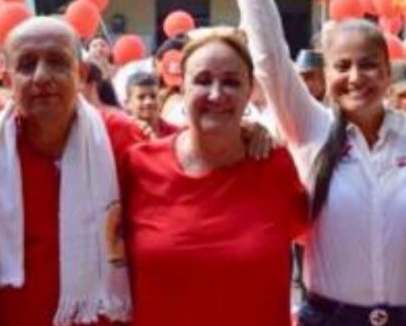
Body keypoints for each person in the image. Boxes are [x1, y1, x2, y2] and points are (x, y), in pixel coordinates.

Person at [228, 0, 406, 326]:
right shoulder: (310, 128)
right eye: (342, 66)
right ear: (327, 76)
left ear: (388, 72)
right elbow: (269, 58)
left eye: (368, 65)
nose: (355, 77)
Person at [0, 17, 140, 326]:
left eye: (57, 63)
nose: (41, 76)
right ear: (8, 81)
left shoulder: (124, 141)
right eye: (26, 65)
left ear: (81, 74)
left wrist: (245, 136)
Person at [122, 29, 308, 326]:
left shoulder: (276, 166)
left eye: (232, 82)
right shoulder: (137, 165)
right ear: (180, 87)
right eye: (203, 80)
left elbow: (319, 239)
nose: (216, 94)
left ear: (250, 92)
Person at [125, 72, 178, 138]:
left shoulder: (176, 134)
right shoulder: (121, 135)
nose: (148, 102)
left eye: (153, 96)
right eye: (141, 97)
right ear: (128, 103)